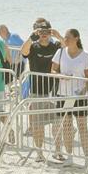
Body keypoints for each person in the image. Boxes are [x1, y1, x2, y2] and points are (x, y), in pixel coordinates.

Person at [20, 20, 63, 160]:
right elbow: (23, 52)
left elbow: (69, 48)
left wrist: (58, 35)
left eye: (46, 31)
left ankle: (58, 151)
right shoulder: (33, 47)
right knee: (38, 125)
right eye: (41, 31)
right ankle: (39, 153)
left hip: (54, 91)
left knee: (57, 123)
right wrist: (31, 37)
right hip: (37, 91)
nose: (44, 34)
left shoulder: (56, 46)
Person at [53, 29, 88, 164]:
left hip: (79, 96)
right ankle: (69, 157)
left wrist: (84, 91)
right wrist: (61, 76)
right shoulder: (60, 52)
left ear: (76, 38)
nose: (65, 39)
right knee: (67, 126)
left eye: (68, 37)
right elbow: (53, 70)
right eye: (64, 37)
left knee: (82, 127)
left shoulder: (85, 55)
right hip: (63, 94)